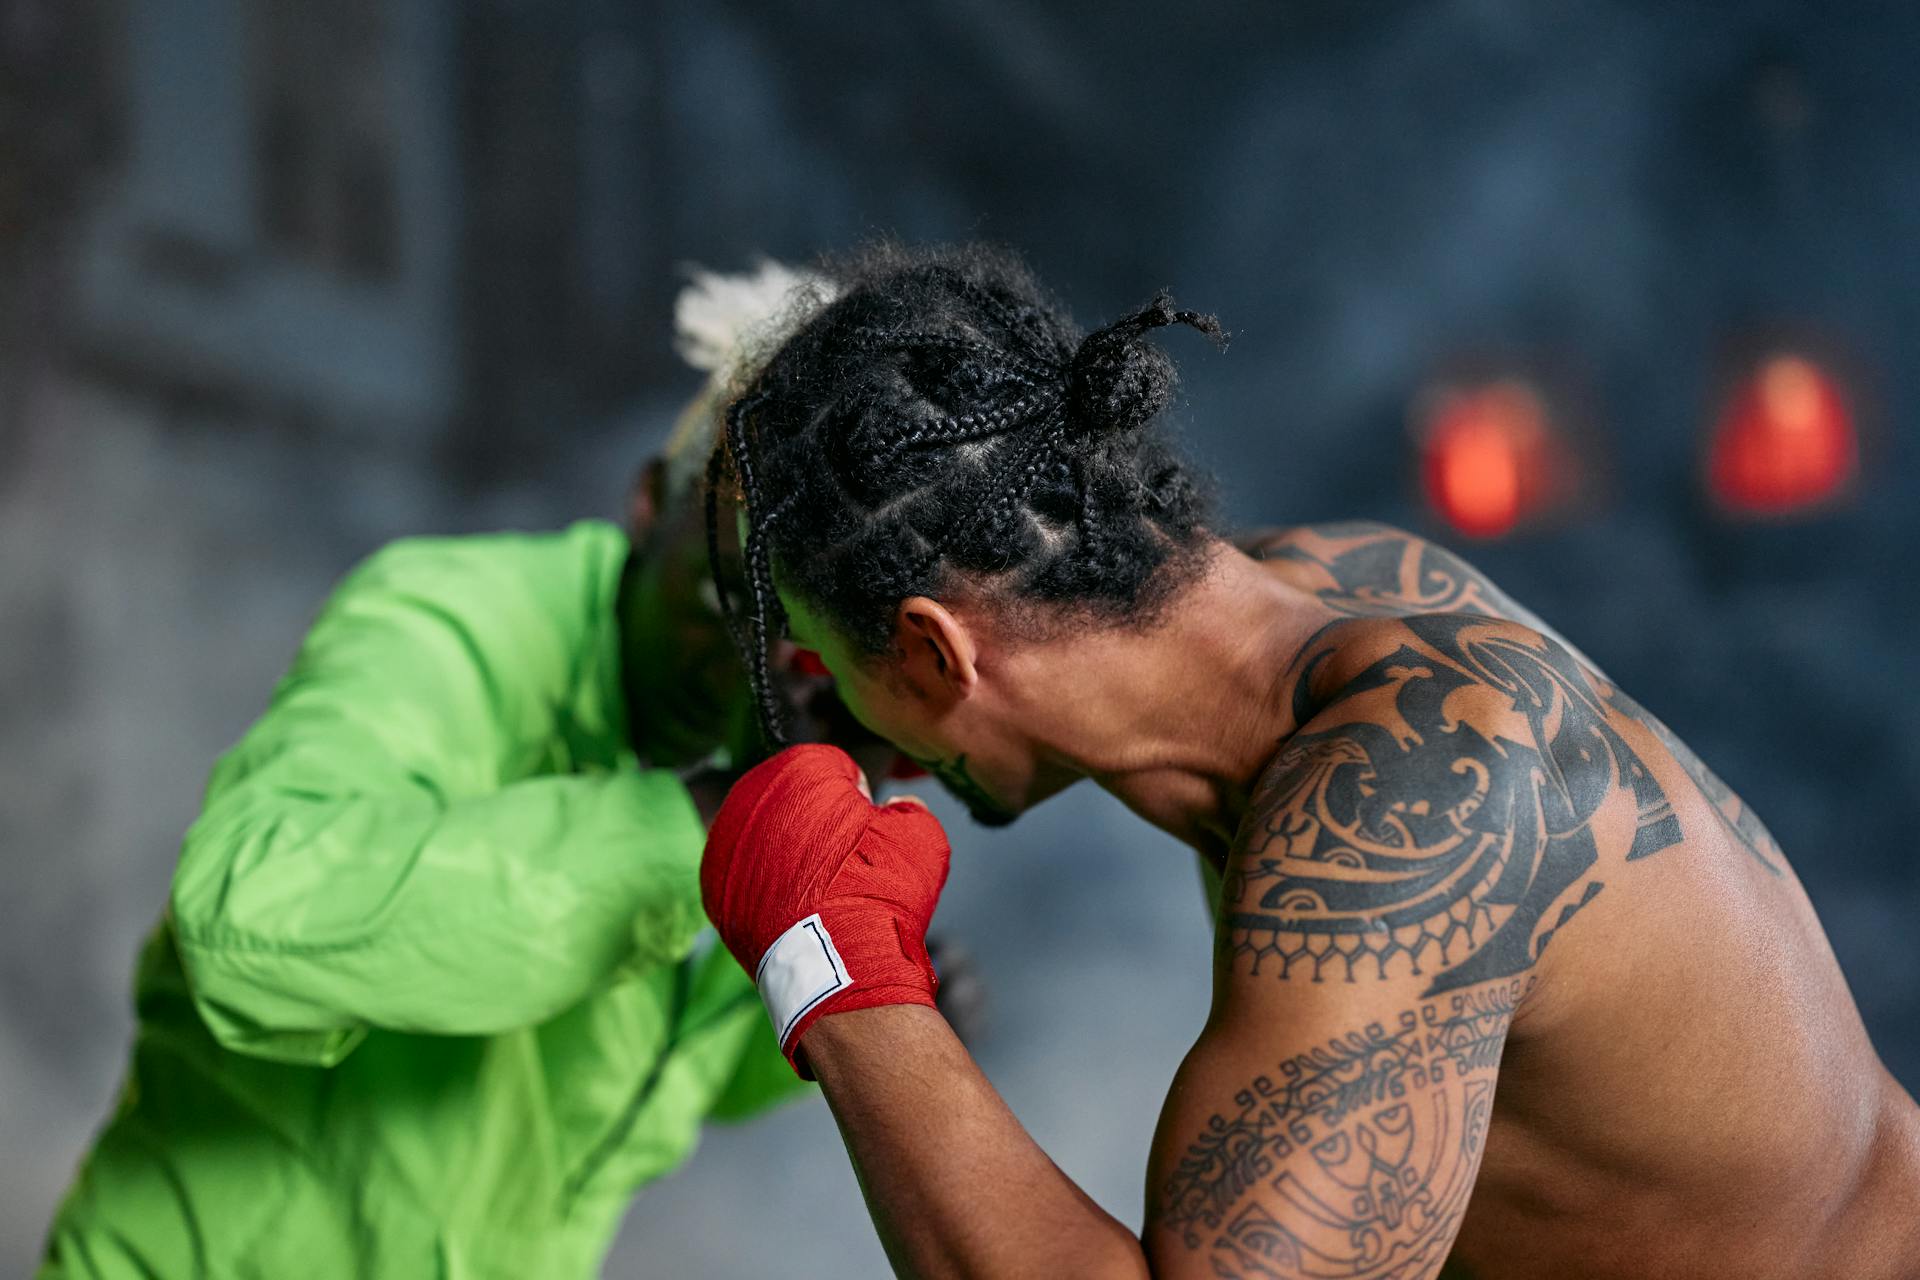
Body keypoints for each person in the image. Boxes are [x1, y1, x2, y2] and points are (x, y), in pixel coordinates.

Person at [694, 241, 1920, 1279]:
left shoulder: (1428, 785)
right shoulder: (1325, 588)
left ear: (933, 647)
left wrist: (834, 972)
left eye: (824, 661)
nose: (821, 703)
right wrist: (884, 709)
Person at [37, 262, 879, 1280]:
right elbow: (243, 917)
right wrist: (689, 825)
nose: (746, 655)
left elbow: (670, 1073)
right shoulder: (447, 618)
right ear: (647, 505)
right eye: (720, 594)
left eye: (786, 629)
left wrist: (821, 1005)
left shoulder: (755, 740)